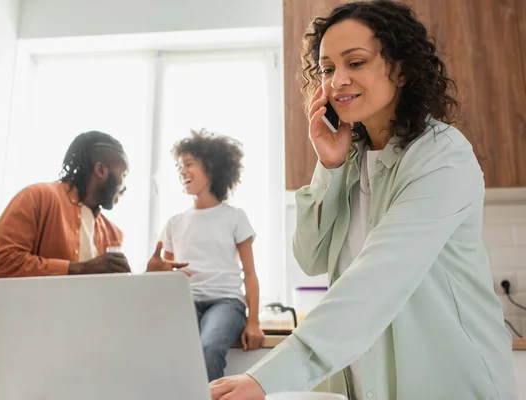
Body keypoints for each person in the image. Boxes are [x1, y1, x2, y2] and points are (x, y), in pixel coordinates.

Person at [209, 1, 516, 399]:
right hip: (364, 382)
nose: (337, 80)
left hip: (449, 379)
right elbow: (311, 256)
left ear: (401, 69)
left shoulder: (442, 157)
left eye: (355, 62)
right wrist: (329, 167)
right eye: (327, 68)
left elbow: (377, 280)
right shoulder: (350, 159)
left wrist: (268, 377)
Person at [0, 131, 184, 278]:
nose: (124, 187)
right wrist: (80, 268)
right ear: (100, 170)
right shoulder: (37, 196)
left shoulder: (112, 232)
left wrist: (149, 277)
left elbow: (113, 297)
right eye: (123, 175)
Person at [157, 129, 265, 382]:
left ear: (212, 167)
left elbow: (250, 273)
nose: (182, 171)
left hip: (225, 302)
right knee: (172, 353)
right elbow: (165, 274)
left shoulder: (235, 217)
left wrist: (253, 322)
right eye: (178, 166)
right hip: (186, 302)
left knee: (208, 349)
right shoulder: (175, 223)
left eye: (189, 164)